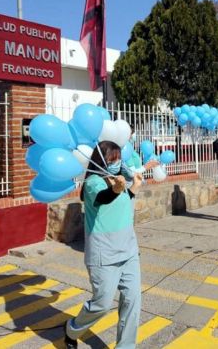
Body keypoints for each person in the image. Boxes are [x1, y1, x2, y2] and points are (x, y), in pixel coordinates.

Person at [65, 141, 142, 349]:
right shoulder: (93, 184)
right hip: (104, 256)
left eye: (119, 158)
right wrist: (117, 189)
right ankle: (72, 329)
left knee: (132, 302)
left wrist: (133, 187)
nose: (117, 162)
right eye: (112, 158)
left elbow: (122, 202)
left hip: (129, 252)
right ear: (102, 161)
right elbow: (105, 198)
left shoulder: (119, 180)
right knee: (102, 304)